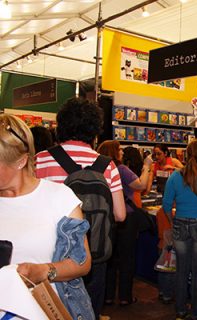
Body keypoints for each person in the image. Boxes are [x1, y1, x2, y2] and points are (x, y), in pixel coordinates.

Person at [35, 97, 126, 319]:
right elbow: (120, 215)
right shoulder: (107, 165)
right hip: (93, 254)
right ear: (95, 130)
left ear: (61, 125)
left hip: (49, 255)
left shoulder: (40, 160)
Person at [0, 114, 94, 319]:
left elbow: (82, 262)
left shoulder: (59, 198)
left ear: (21, 161)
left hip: (46, 311)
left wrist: (43, 271)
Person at [162, 138, 197, 320]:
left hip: (181, 224)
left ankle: (180, 310)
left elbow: (166, 205)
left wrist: (173, 221)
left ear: (186, 153)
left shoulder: (176, 176)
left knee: (182, 270)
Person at [97, 141, 152, 306]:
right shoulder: (120, 169)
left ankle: (107, 296)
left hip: (107, 217)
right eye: (119, 149)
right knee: (127, 258)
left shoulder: (99, 168)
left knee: (110, 258)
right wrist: (147, 167)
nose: (122, 152)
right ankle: (124, 297)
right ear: (114, 152)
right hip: (126, 217)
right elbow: (141, 185)